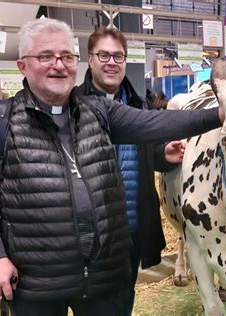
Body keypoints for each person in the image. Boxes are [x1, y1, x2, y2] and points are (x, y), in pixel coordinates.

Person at [0, 18, 223, 316]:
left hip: (102, 278)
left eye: (66, 56)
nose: (58, 65)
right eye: (45, 56)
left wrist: (220, 114)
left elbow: (158, 122)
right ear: (23, 66)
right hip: (36, 281)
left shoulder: (98, 110)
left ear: (76, 63)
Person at [76, 27, 182, 315]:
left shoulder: (139, 105)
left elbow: (141, 157)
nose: (112, 62)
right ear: (90, 59)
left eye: (118, 56)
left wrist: (162, 155)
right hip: (91, 235)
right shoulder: (74, 105)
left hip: (133, 228)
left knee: (125, 298)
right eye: (104, 55)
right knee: (93, 305)